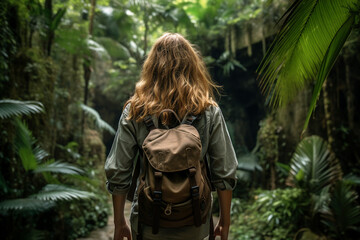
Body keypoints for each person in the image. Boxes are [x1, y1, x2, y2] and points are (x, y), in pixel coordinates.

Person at [105, 33, 238, 240]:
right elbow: (225, 169)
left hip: (149, 222)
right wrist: (225, 221)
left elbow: (119, 169)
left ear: (152, 67)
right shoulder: (208, 111)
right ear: (193, 67)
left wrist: (119, 222)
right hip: (196, 221)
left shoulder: (135, 110)